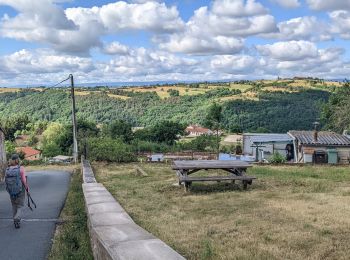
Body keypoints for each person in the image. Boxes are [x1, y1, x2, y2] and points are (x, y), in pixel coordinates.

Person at [5, 154, 29, 229]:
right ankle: (17, 218)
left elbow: (5, 181)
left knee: (14, 205)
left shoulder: (7, 169)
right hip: (20, 190)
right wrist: (27, 189)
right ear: (17, 160)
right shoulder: (21, 168)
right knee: (20, 206)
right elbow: (24, 180)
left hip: (11, 191)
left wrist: (9, 190)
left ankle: (16, 222)